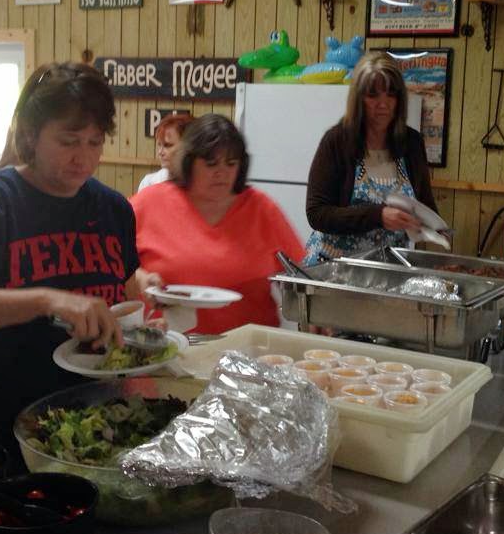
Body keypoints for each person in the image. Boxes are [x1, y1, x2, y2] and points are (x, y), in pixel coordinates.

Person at [0, 62, 140, 465]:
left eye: (94, 142)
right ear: (30, 136)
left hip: (84, 435)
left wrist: (143, 330)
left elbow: (124, 299)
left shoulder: (114, 210)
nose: (83, 157)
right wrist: (48, 300)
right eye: (69, 141)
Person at [131, 114, 304, 334]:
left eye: (231, 164)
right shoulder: (149, 203)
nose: (222, 173)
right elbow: (112, 264)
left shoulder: (262, 209)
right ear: (188, 162)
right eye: (211, 164)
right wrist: (140, 278)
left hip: (248, 347)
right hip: (167, 345)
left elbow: (301, 274)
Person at [303, 51, 438, 264]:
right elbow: (317, 214)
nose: (383, 104)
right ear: (358, 99)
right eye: (373, 95)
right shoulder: (337, 141)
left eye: (391, 94)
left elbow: (426, 207)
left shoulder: (411, 143)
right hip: (334, 267)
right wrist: (378, 216)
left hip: (386, 269)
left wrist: (432, 226)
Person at [137, 113, 193, 192]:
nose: (160, 152)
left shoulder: (201, 184)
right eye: (159, 145)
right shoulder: (149, 183)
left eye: (168, 145)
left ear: (188, 147)